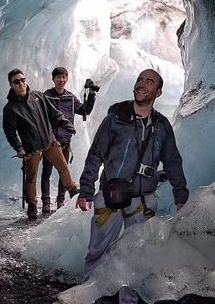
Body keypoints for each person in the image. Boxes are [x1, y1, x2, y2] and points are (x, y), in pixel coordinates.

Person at [76, 69, 188, 304]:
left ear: (157, 92)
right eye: (139, 80)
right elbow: (95, 154)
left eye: (149, 82)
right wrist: (86, 189)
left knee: (137, 255)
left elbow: (172, 161)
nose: (142, 84)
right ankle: (90, 295)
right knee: (98, 250)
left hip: (142, 200)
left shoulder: (162, 126)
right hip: (110, 197)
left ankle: (129, 300)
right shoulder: (115, 119)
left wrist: (181, 194)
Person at [2, 68, 79, 220]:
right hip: (31, 148)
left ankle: (73, 191)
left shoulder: (38, 96)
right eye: (16, 82)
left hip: (49, 141)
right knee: (31, 177)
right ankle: (32, 205)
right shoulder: (10, 108)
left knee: (63, 167)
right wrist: (18, 147)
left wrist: (66, 124)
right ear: (11, 85)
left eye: (22, 80)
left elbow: (54, 112)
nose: (21, 83)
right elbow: (10, 131)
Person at [41, 66, 97, 213]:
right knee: (46, 172)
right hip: (49, 140)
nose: (61, 80)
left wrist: (91, 94)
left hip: (65, 140)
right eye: (58, 77)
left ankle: (60, 200)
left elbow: (85, 110)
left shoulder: (70, 98)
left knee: (62, 171)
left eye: (64, 77)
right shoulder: (46, 96)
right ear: (53, 79)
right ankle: (46, 202)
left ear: (67, 79)